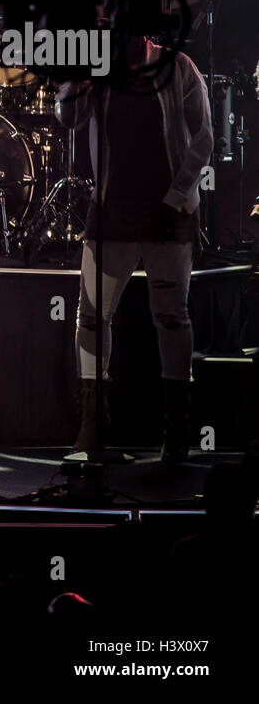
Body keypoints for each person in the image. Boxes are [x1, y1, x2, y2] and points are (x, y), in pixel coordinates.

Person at [57, 34, 211, 463]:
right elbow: (67, 118)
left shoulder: (179, 67)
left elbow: (203, 136)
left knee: (172, 318)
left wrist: (179, 196)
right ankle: (92, 427)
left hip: (168, 212)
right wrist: (75, 80)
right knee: (91, 317)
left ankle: (176, 431)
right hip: (113, 212)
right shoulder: (99, 69)